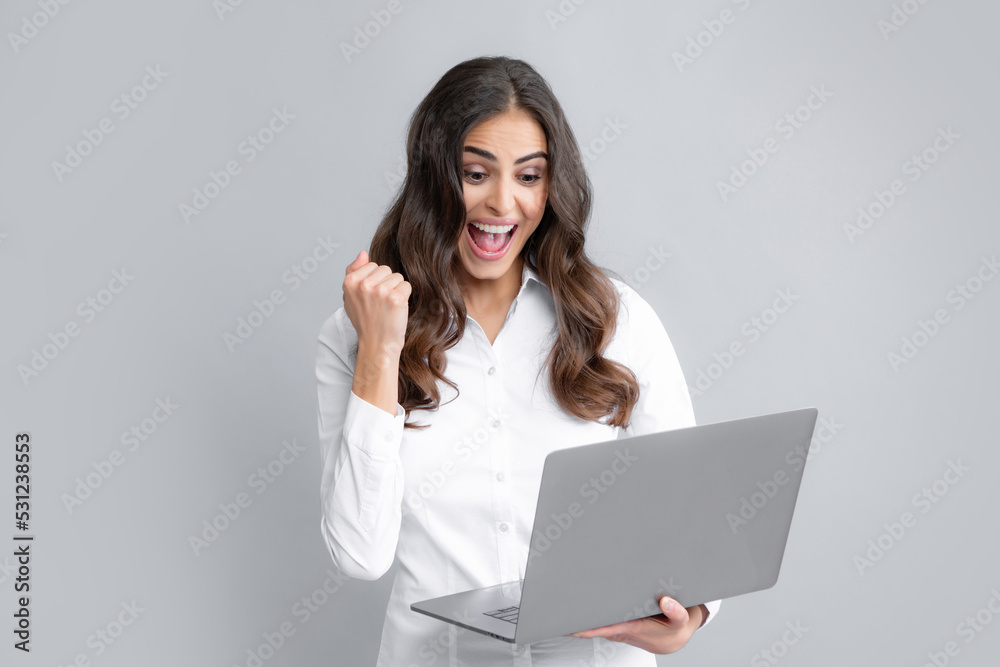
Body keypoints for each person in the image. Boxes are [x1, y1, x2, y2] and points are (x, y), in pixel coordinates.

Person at [316, 55, 721, 666]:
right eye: (475, 173)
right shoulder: (357, 335)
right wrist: (379, 351)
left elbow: (693, 523)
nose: (503, 203)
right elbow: (359, 554)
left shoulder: (618, 320)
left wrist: (688, 616)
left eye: (529, 177)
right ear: (433, 179)